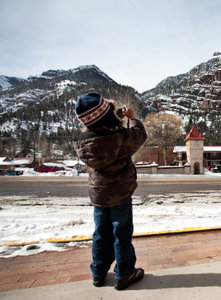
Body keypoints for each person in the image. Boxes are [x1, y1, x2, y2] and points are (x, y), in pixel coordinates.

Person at [73, 92, 147, 290]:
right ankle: (124, 273)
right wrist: (131, 119)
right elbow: (139, 135)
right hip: (120, 194)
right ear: (106, 115)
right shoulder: (120, 137)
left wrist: (115, 121)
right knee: (121, 234)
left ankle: (98, 273)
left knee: (100, 233)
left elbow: (102, 136)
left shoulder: (83, 141)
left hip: (98, 195)